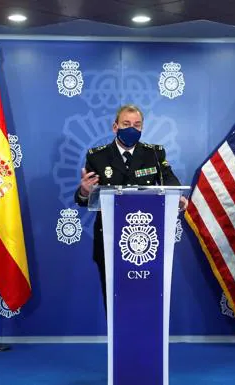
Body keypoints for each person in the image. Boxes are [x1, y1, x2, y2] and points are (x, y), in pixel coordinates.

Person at [74, 104, 187, 309]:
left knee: (145, 301)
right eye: (126, 124)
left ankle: (145, 340)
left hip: (147, 240)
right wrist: (84, 191)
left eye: (137, 125)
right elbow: (84, 199)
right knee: (114, 300)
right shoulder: (97, 156)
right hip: (109, 238)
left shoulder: (154, 154)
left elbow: (169, 180)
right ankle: (118, 342)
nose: (132, 129)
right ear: (115, 127)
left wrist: (177, 197)